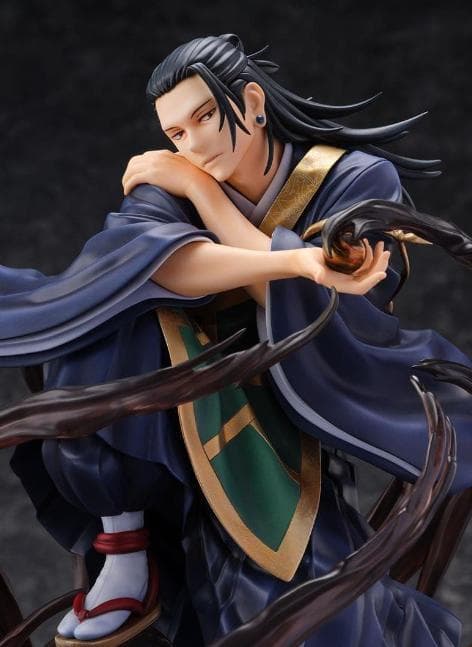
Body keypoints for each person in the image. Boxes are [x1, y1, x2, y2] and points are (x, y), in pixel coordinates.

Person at [2, 33, 471, 646]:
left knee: (297, 604)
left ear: (251, 102)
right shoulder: (174, 179)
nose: (191, 145)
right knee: (108, 307)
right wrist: (295, 261)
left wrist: (210, 201)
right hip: (177, 399)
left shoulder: (351, 177)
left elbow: (319, 312)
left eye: (203, 117)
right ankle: (124, 545)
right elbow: (163, 266)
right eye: (176, 133)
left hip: (295, 394)